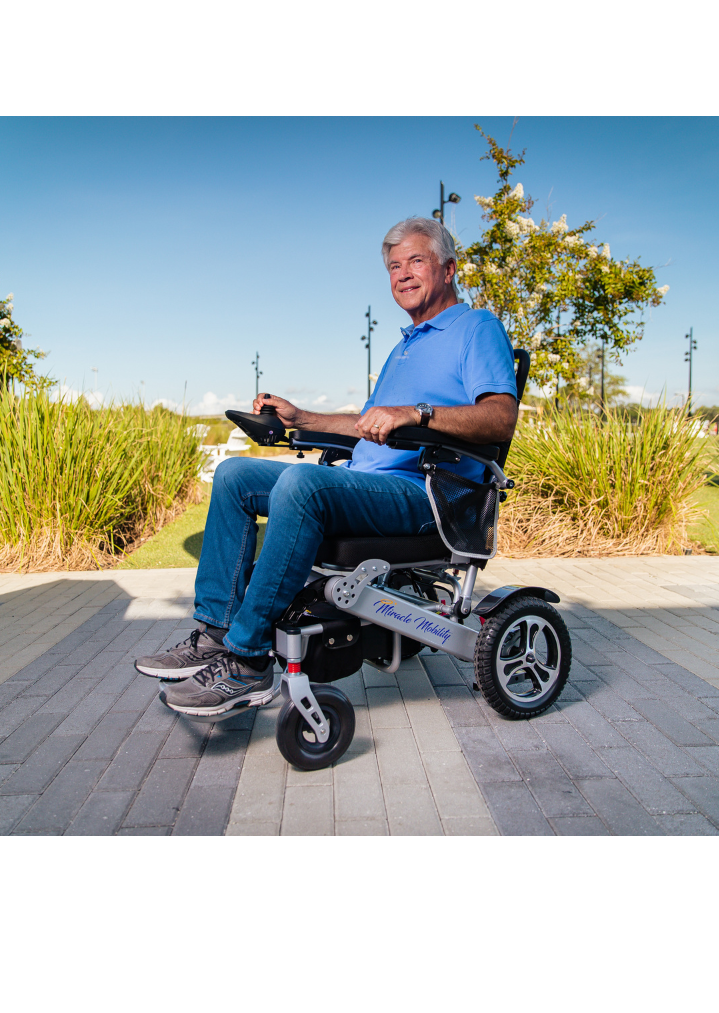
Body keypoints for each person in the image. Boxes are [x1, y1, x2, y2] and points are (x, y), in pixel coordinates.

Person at [135, 217, 518, 715]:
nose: (402, 275)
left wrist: (416, 413)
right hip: (364, 483)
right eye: (393, 267)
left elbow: (500, 419)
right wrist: (303, 417)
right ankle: (214, 634)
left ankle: (248, 660)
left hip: (428, 495)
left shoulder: (476, 328)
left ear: (448, 268)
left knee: (302, 483)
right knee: (234, 476)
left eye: (415, 262)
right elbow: (368, 424)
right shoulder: (407, 344)